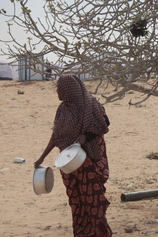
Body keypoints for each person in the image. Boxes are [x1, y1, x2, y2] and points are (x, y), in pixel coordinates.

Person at [34, 74, 112, 236]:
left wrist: (86, 136)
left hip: (89, 161)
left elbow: (104, 124)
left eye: (59, 88)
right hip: (69, 164)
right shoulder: (62, 109)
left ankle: (101, 233)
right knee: (78, 201)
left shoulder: (91, 106)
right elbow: (56, 136)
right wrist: (42, 157)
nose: (57, 91)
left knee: (93, 201)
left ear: (68, 89)